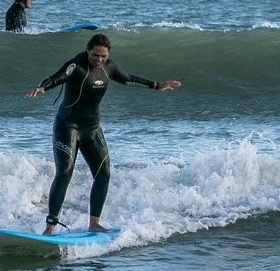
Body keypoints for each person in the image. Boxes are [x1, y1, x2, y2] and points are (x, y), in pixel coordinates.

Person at [25, 33, 181, 234]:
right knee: (64, 172)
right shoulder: (76, 65)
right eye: (95, 55)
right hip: (67, 126)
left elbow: (128, 79)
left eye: (104, 56)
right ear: (87, 50)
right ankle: (50, 226)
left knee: (104, 174)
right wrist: (42, 87)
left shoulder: (109, 67)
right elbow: (58, 77)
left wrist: (157, 85)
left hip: (92, 128)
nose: (99, 60)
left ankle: (94, 223)